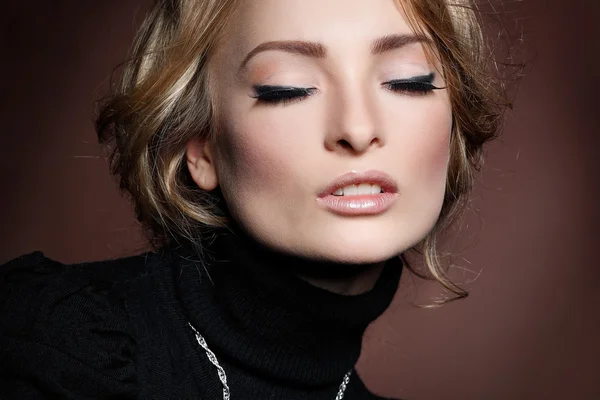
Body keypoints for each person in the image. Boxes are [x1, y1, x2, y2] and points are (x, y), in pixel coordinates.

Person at [0, 0, 509, 398]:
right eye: (288, 89)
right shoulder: (59, 349)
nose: (357, 129)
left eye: (407, 81)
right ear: (198, 146)